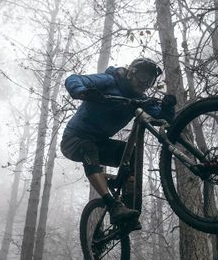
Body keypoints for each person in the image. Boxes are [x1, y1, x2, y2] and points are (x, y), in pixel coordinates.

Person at [61, 58, 176, 226]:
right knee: (88, 147)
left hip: (101, 143)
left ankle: (127, 212)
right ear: (131, 73)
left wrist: (168, 107)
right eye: (143, 77)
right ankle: (112, 205)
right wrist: (83, 92)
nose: (146, 84)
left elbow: (163, 118)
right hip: (73, 140)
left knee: (133, 155)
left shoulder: (139, 99)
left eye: (150, 81)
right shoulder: (110, 80)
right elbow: (73, 79)